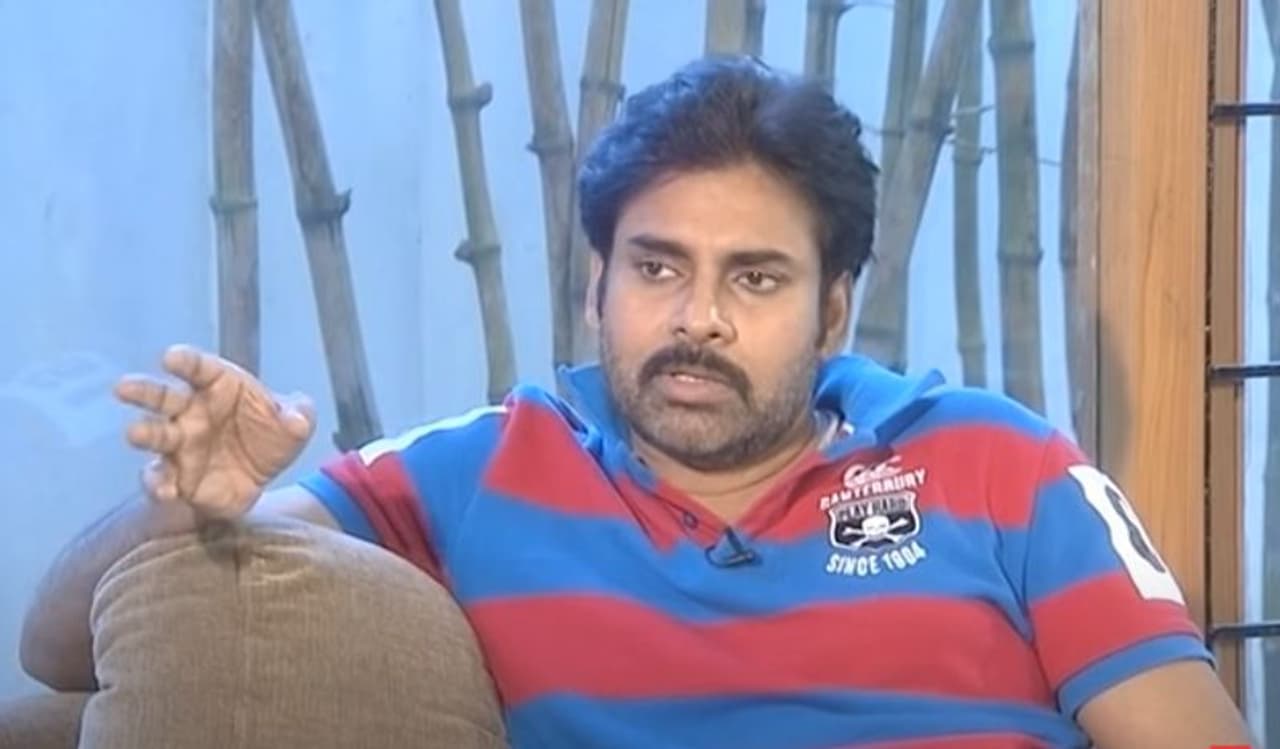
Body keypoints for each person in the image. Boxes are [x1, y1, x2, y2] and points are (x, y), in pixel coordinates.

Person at [21, 56, 1253, 748]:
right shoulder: (485, 466)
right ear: (595, 286)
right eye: (657, 268)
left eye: (753, 278)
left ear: (831, 311)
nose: (695, 317)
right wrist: (184, 504)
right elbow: (59, 651)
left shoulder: (1002, 463)